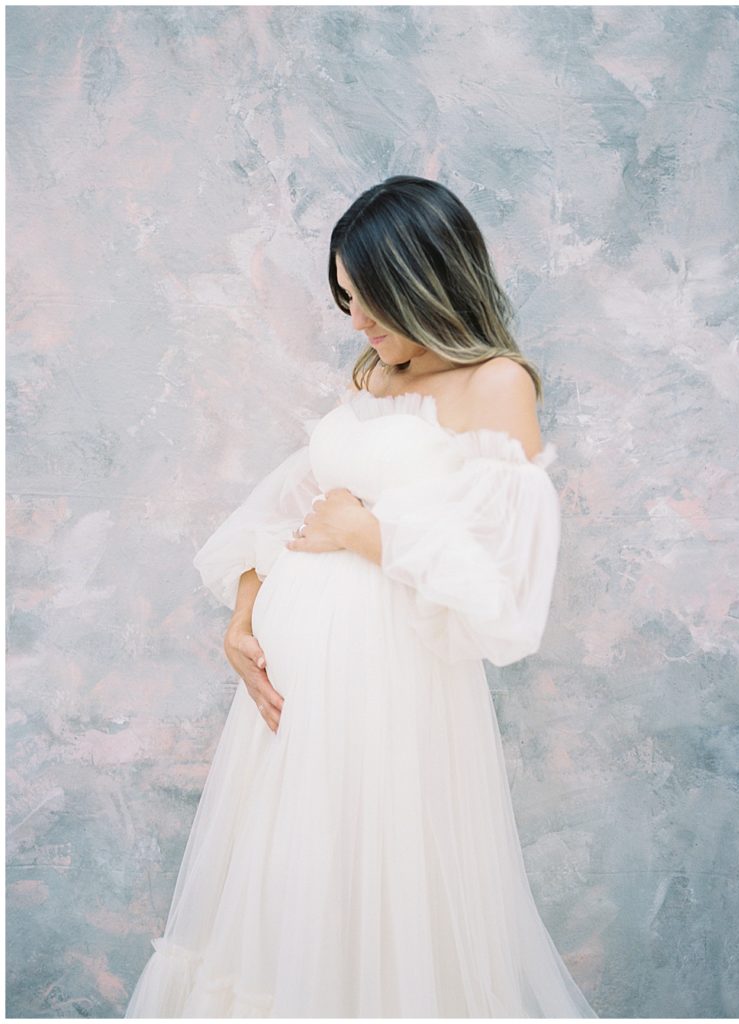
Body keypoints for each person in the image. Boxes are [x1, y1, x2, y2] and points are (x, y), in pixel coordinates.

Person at [124, 175, 597, 1018]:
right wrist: (242, 617)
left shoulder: (495, 385)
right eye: (345, 299)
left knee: (381, 901)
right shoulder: (375, 377)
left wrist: (362, 532)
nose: (359, 324)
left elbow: (503, 593)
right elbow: (284, 507)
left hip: (392, 694)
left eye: (372, 300)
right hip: (296, 697)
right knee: (289, 896)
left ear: (430, 281)